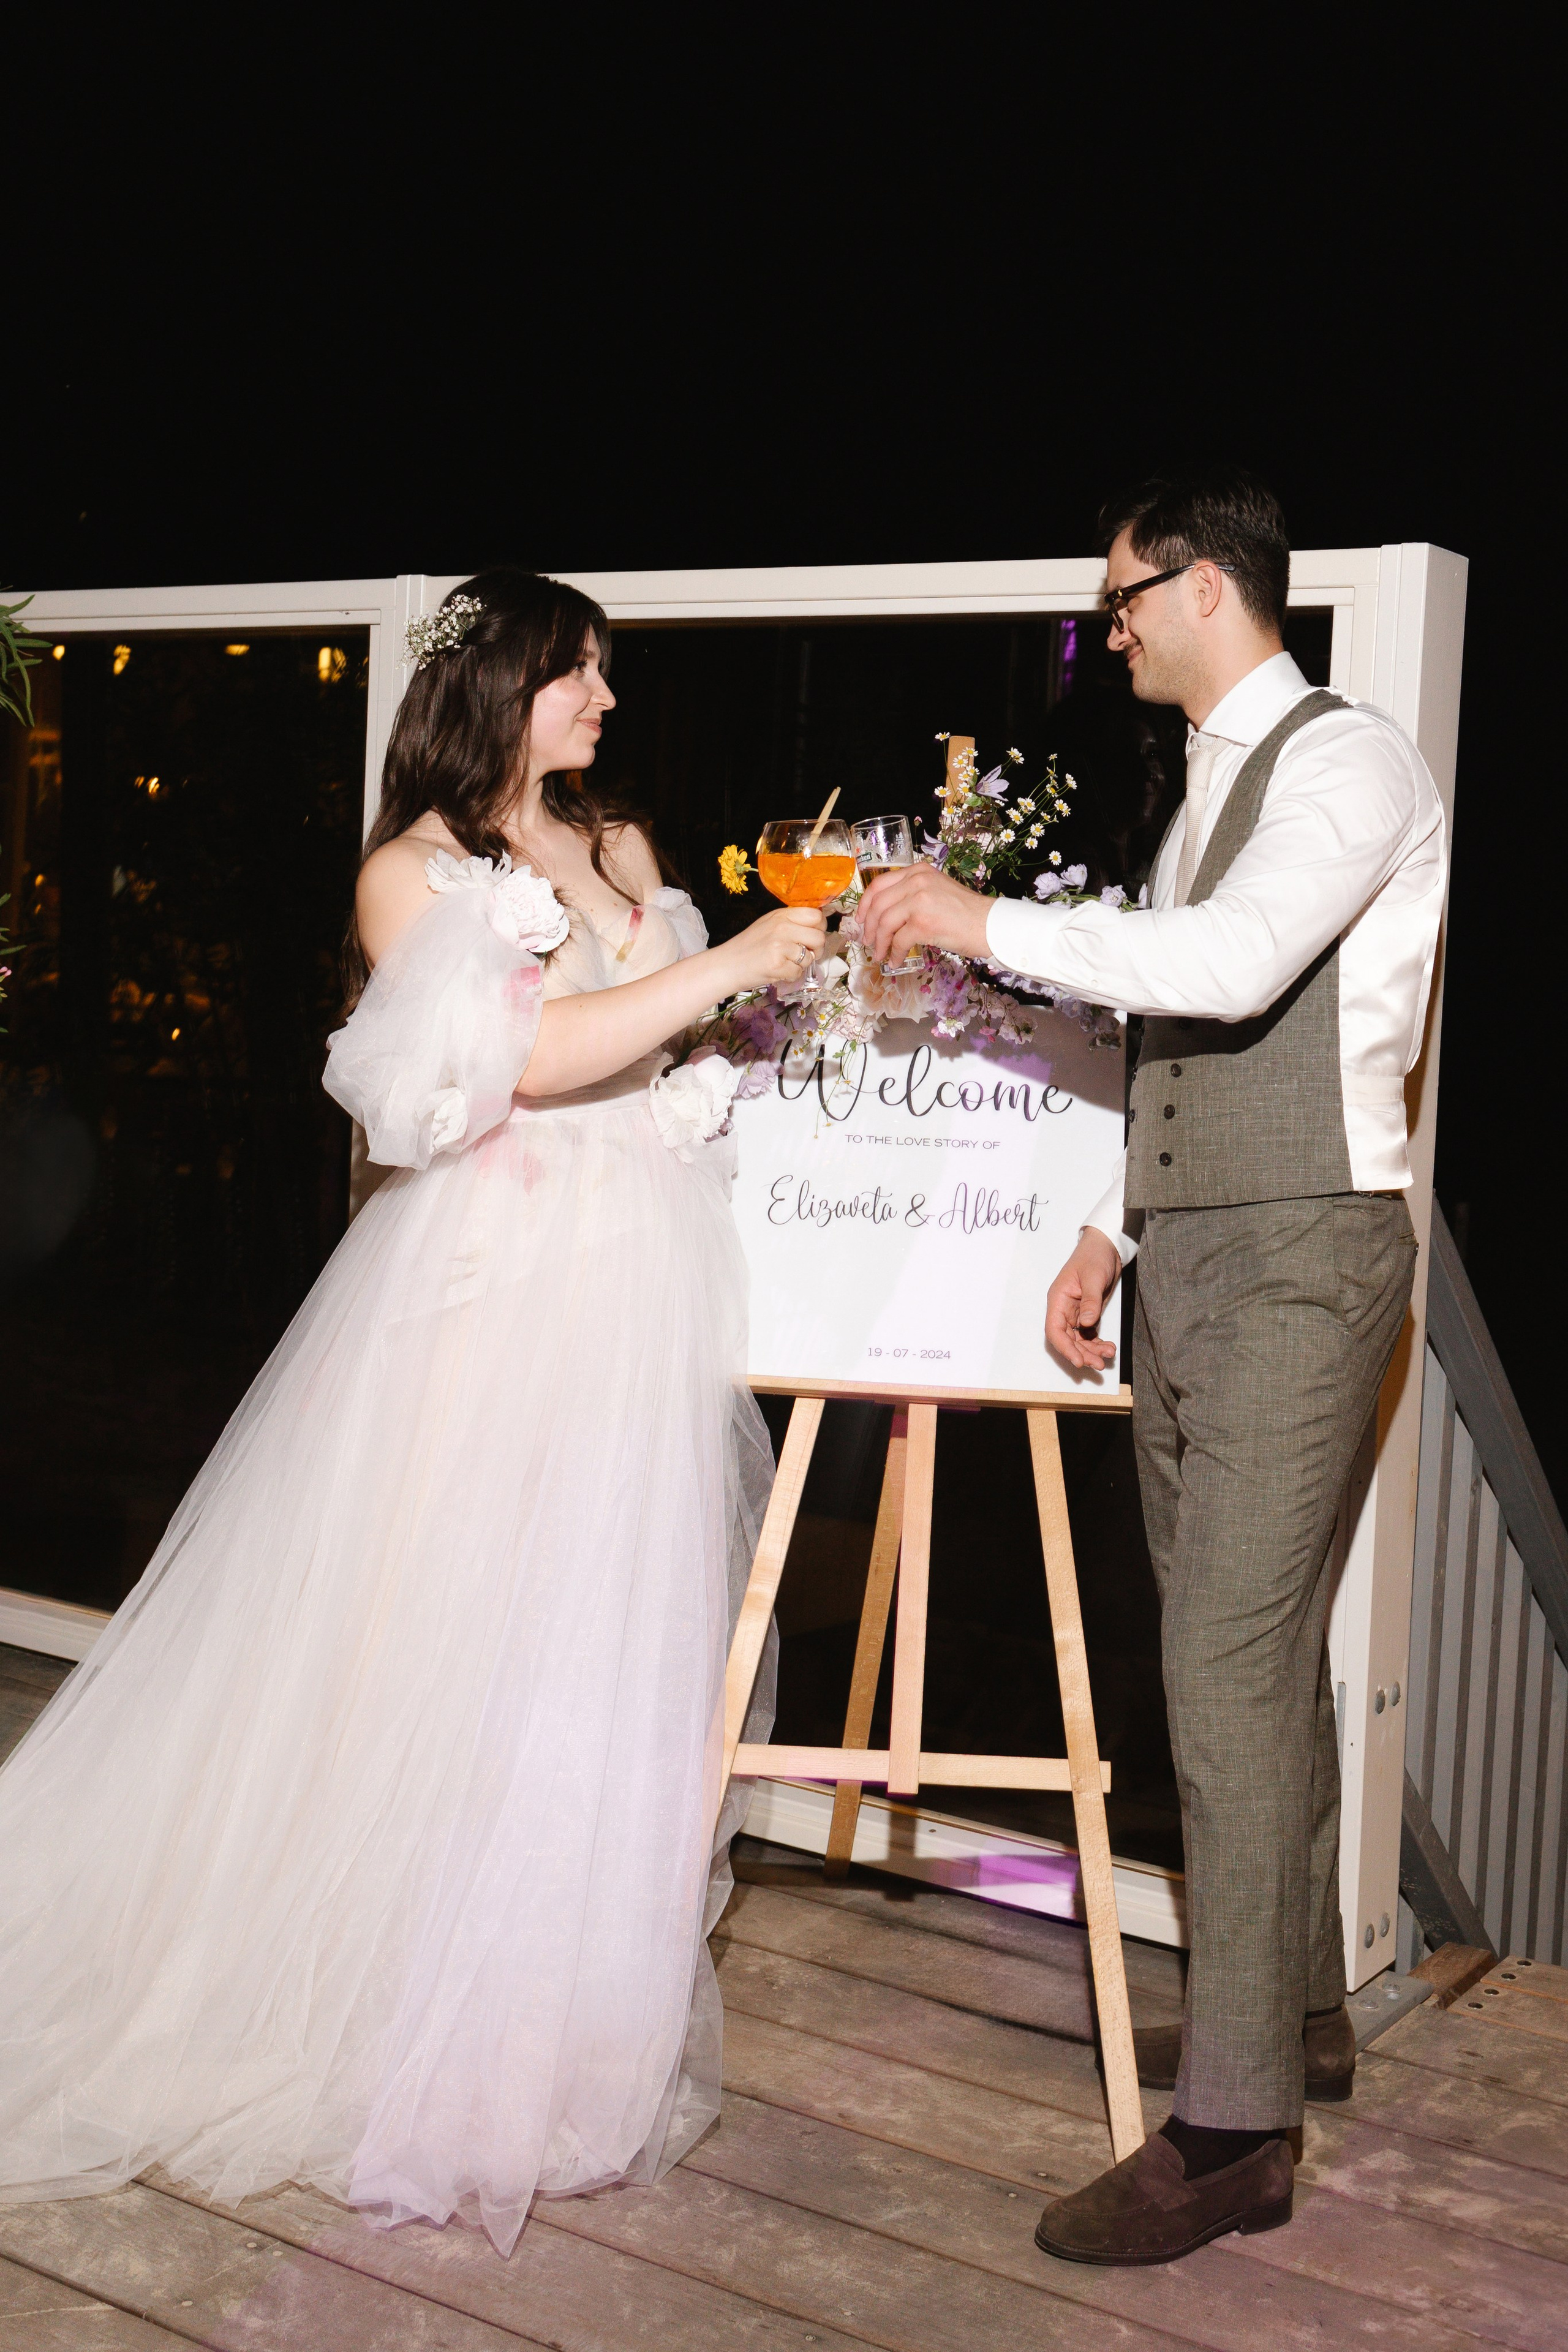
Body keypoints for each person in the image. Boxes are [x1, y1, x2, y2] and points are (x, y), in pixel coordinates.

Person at [0, 568, 824, 2256]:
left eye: (605, 674)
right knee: (446, 1626)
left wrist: (773, 1008)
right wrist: (736, 959)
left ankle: (540, 2031)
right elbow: (526, 1059)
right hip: (494, 1284)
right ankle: (376, 2000)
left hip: (638, 1276)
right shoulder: (410, 876)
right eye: (578, 673)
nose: (605, 700)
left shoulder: (623, 844)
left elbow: (669, 1041)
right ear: (500, 685)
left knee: (597, 1646)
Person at [861, 470, 1445, 2265]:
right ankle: (1301, 2016)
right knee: (1242, 1644)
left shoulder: (1350, 762)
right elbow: (1176, 1042)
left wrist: (970, 919)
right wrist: (1109, 1235)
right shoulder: (1204, 784)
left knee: (1223, 1659)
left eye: (1121, 597)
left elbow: (1236, 964)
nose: (1105, 629)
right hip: (1198, 1254)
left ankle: (1236, 2134)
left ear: (1205, 587)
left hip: (1304, 1255)